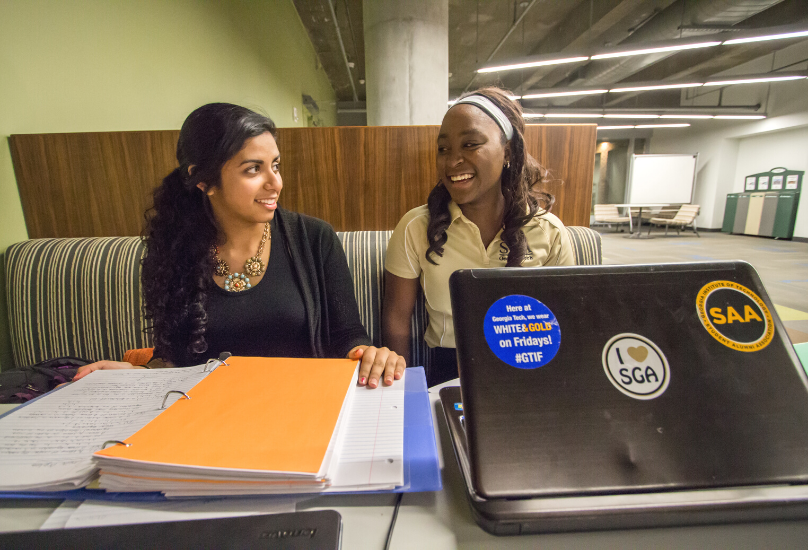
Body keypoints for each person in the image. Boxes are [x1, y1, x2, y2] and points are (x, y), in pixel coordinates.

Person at [75, 103, 404, 388]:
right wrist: (135, 373)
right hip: (209, 416)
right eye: (253, 169)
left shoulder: (314, 237)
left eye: (275, 165)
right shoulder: (172, 250)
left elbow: (347, 334)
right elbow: (174, 360)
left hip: (303, 406)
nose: (275, 183)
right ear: (204, 180)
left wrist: (369, 353)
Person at [382, 87, 574, 387]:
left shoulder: (548, 231)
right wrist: (401, 395)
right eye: (443, 149)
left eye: (470, 144)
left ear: (508, 150)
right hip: (447, 371)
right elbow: (396, 322)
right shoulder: (416, 227)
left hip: (527, 371)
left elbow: (564, 322)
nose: (452, 161)